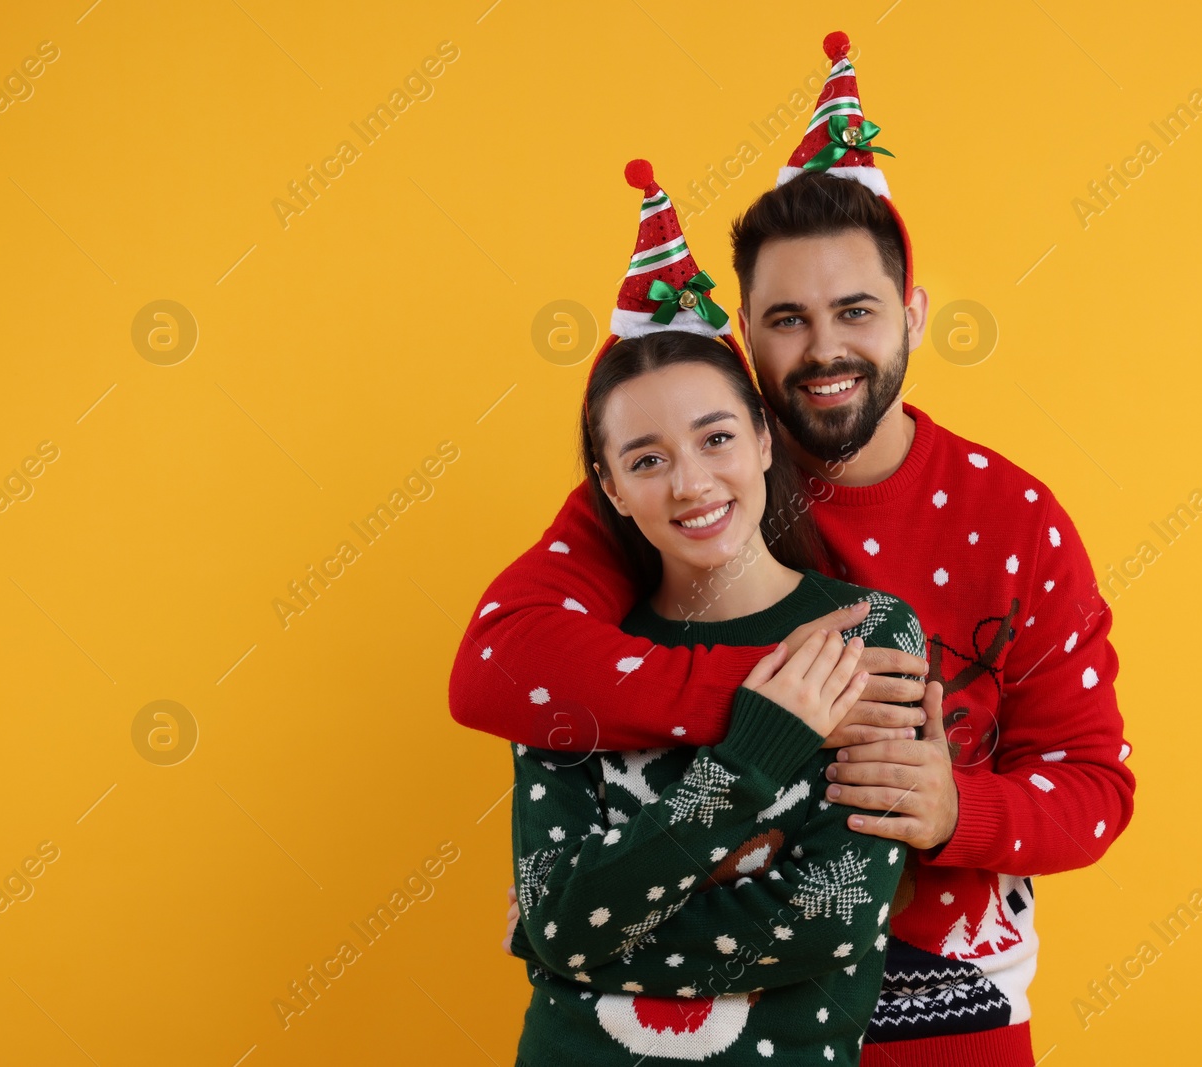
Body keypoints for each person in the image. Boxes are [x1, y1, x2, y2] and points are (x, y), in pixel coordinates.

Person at [456, 33, 1136, 1067]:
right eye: (786, 319)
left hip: (944, 1015)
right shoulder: (679, 494)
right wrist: (772, 703)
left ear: (909, 314)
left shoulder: (1015, 520)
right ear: (744, 340)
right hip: (693, 1031)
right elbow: (499, 665)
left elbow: (1096, 784)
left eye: (855, 311)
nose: (822, 349)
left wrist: (957, 805)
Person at [505, 161, 931, 1065]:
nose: (692, 482)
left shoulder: (866, 634)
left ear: (763, 436)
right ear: (611, 488)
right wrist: (753, 755)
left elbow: (832, 918)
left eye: (716, 437)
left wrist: (572, 940)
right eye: (647, 458)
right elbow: (563, 920)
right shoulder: (573, 655)